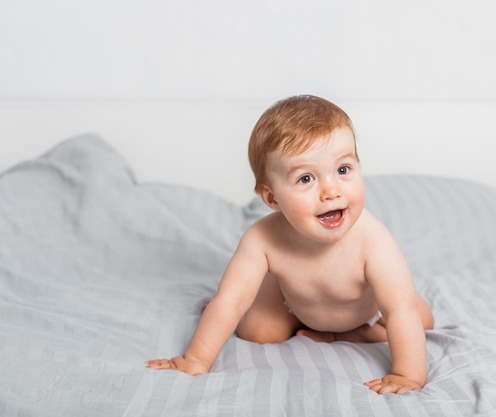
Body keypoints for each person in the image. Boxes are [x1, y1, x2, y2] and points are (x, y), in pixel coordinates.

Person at [146, 95, 434, 395]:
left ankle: (357, 332)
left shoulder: (373, 240)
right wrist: (195, 359)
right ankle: (262, 297)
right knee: (257, 331)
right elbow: (229, 300)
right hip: (297, 306)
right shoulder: (262, 238)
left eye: (343, 169)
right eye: (306, 178)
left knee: (417, 318)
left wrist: (406, 375)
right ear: (271, 198)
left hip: (366, 310)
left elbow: (399, 310)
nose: (331, 191)